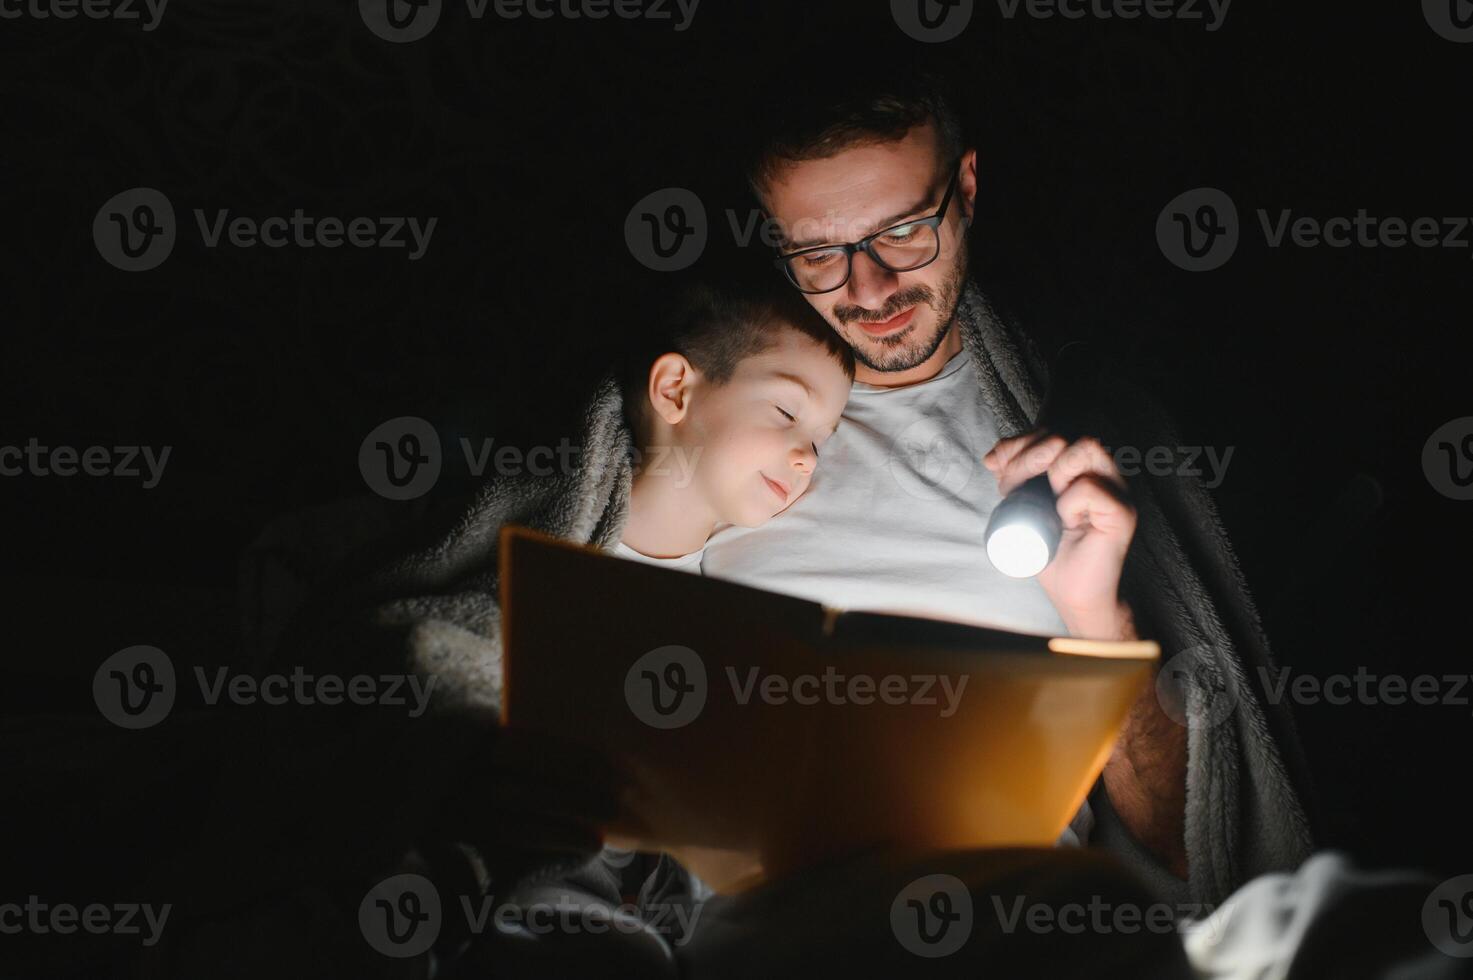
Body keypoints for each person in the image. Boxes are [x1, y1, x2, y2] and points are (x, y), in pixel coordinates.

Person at [699, 70, 1316, 907]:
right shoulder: (703, 415)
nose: (870, 286)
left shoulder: (1082, 437)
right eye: (819, 253)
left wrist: (1099, 617)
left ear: (966, 189)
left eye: (904, 232)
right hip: (754, 933)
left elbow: (1189, 850)